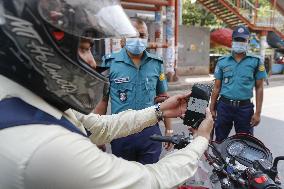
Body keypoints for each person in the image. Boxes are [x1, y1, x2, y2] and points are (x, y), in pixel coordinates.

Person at [0, 1, 213, 189]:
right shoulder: (49, 147)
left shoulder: (35, 101)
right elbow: (150, 181)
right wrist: (200, 140)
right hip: (124, 141)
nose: (93, 62)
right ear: (36, 47)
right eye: (83, 49)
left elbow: (100, 126)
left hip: (146, 131)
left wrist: (161, 110)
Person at [94, 18, 173, 164]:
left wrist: (169, 131)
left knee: (149, 177)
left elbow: (164, 98)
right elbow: (102, 101)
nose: (137, 39)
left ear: (147, 38)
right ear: (123, 39)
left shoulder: (156, 63)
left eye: (142, 36)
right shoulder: (109, 63)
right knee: (124, 179)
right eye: (132, 36)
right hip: (121, 132)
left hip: (150, 132)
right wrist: (98, 135)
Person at [210, 25, 267, 142]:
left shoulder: (256, 62)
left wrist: (258, 113)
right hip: (224, 107)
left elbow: (259, 88)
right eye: (237, 39)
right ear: (232, 41)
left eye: (243, 40)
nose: (239, 42)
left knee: (245, 143)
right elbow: (216, 87)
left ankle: (240, 161)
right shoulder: (222, 62)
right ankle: (220, 160)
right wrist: (212, 108)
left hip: (245, 109)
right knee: (220, 140)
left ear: (248, 41)